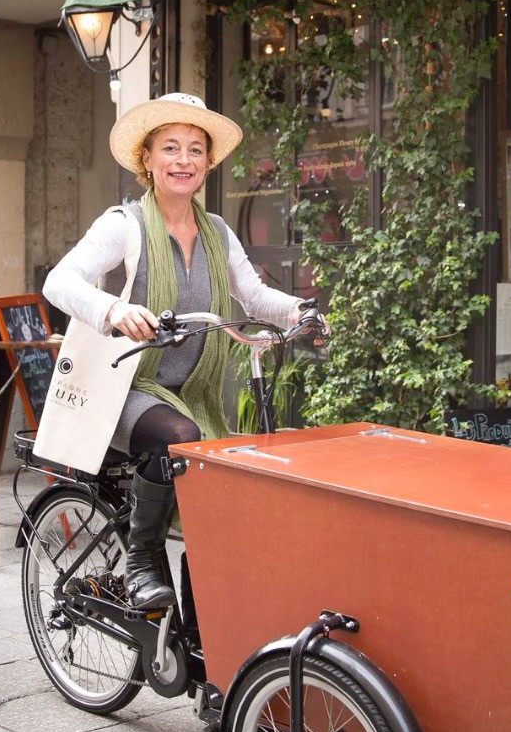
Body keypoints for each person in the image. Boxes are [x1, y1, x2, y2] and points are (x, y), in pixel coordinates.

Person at [42, 93, 324, 610]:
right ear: (146, 159)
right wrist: (112, 311)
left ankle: (204, 624)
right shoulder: (123, 225)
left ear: (208, 164)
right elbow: (59, 281)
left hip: (193, 391)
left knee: (227, 485)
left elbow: (254, 295)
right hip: (127, 385)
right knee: (182, 438)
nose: (183, 160)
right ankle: (143, 557)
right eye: (170, 147)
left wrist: (300, 310)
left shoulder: (216, 230)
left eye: (196, 150)